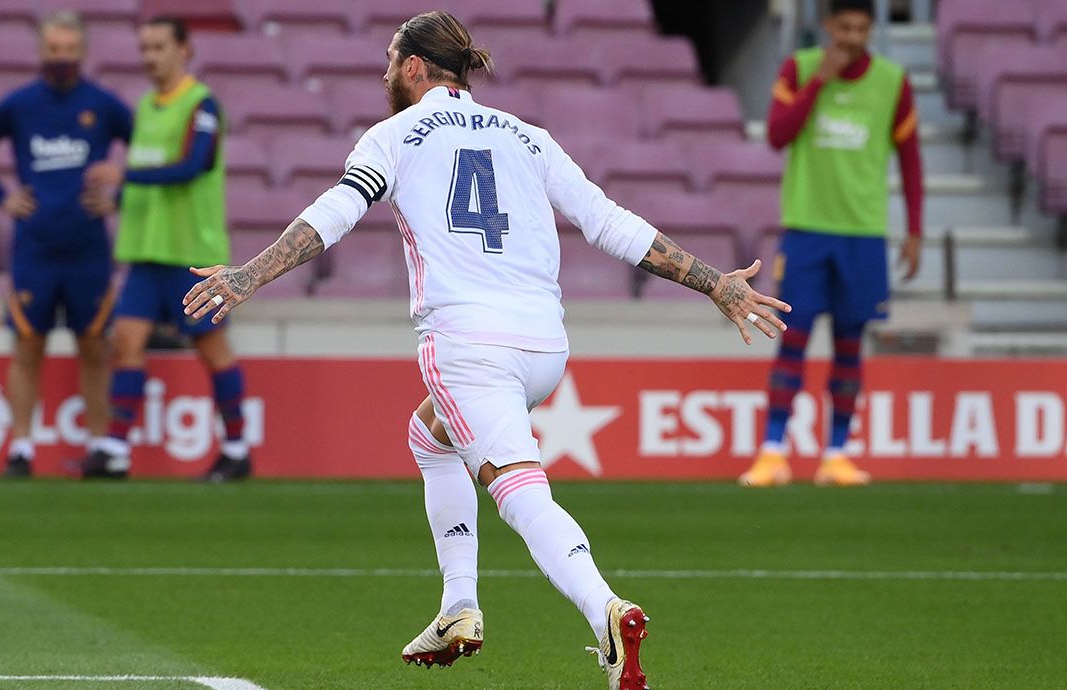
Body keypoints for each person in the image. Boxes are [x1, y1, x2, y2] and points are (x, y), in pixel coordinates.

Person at [182, 11, 789, 689]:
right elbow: (607, 221)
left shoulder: (394, 136)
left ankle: (606, 610)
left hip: (468, 343)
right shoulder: (529, 138)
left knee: (516, 486)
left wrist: (247, 275)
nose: (385, 73)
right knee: (429, 436)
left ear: (414, 67)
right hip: (545, 346)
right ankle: (458, 606)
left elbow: (335, 213)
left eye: (389, 61)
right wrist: (713, 283)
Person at [739, 0, 924, 488]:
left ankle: (836, 455)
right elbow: (778, 136)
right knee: (792, 340)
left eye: (861, 28)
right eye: (843, 27)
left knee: (849, 346)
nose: (851, 37)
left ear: (870, 30)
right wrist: (820, 80)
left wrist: (915, 230)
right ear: (827, 27)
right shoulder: (798, 69)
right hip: (806, 231)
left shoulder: (892, 81)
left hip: (863, 235)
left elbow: (910, 159)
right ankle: (772, 453)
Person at [0, 10, 131, 478]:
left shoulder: (105, 104)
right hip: (34, 248)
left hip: (88, 250)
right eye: (54, 49)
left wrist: (118, 196)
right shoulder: (17, 105)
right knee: (27, 345)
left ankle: (100, 448)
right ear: (40, 51)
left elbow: (148, 156)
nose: (62, 58)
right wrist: (2, 197)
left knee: (95, 346)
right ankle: (20, 449)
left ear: (83, 51)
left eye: (70, 50)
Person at [80, 16, 250, 482]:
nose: (149, 56)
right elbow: (150, 177)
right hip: (146, 250)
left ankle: (237, 450)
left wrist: (123, 177)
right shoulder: (147, 108)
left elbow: (194, 165)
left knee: (211, 347)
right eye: (145, 48)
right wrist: (115, 199)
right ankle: (115, 449)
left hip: (190, 253)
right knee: (127, 343)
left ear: (184, 50)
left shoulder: (201, 105)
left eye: (158, 47)